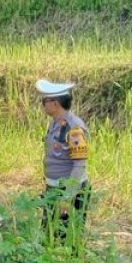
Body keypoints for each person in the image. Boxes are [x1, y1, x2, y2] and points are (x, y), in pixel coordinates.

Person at [36, 79, 90, 239]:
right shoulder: (56, 124)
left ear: (55, 103)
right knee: (48, 235)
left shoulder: (73, 128)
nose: (43, 105)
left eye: (44, 101)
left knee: (66, 239)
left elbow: (79, 165)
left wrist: (67, 197)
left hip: (68, 191)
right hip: (54, 188)